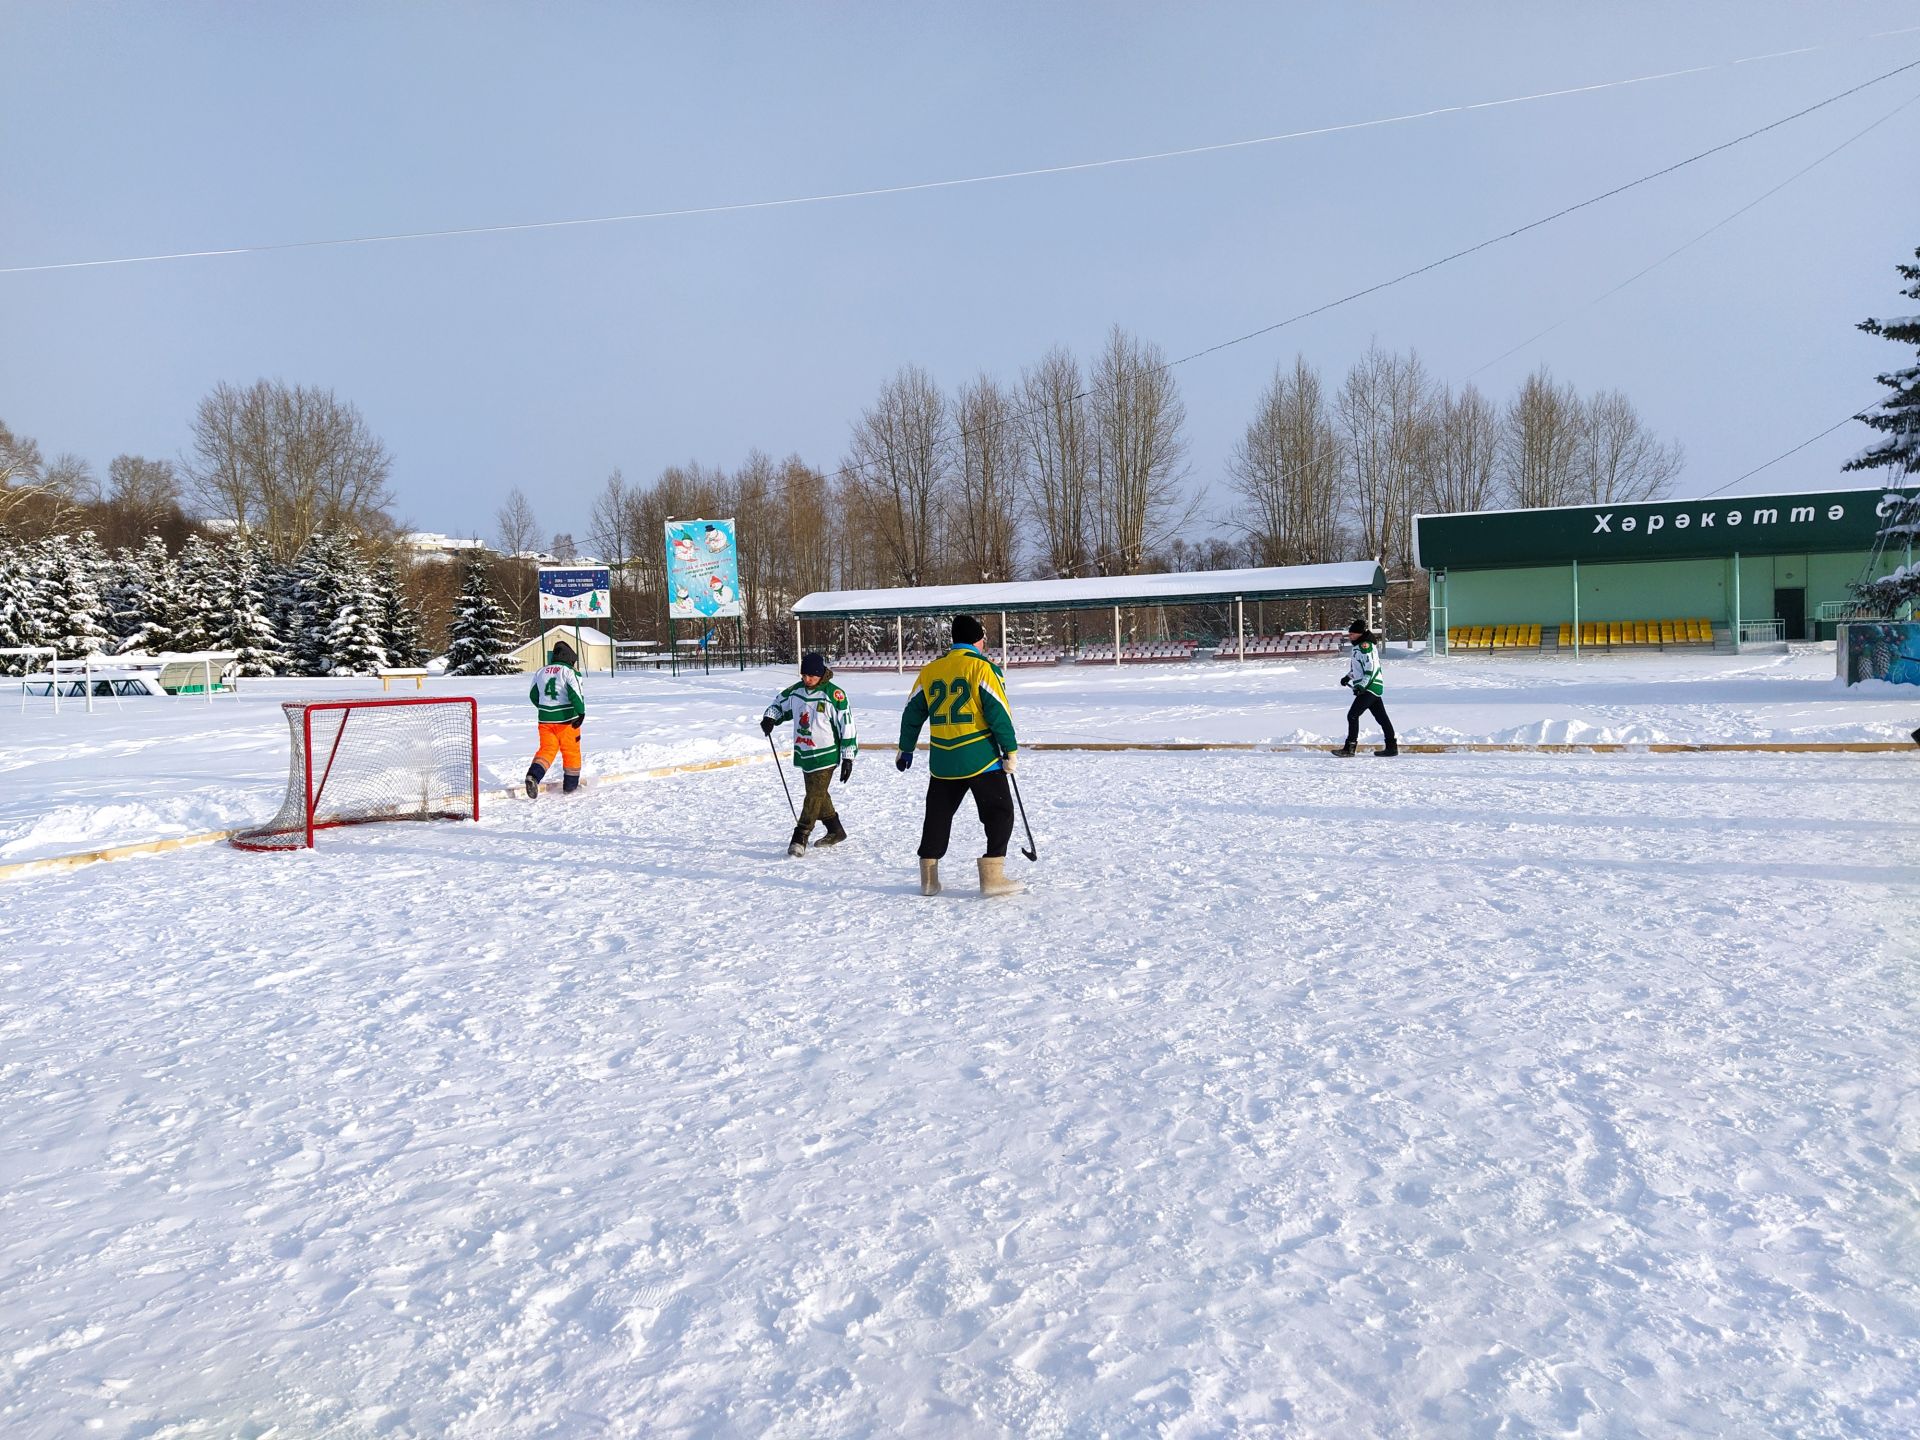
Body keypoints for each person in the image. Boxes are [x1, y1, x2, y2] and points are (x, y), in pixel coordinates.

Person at [897, 615, 1023, 897]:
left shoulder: (930, 671)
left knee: (938, 816)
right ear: (978, 639)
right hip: (981, 758)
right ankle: (993, 876)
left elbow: (912, 714)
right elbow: (998, 713)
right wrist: (1010, 750)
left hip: (943, 760)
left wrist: (906, 749)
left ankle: (929, 879)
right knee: (999, 812)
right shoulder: (982, 669)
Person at [761, 651, 857, 857]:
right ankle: (835, 830)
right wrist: (770, 717)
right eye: (804, 675)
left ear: (821, 673)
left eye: (811, 675)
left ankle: (800, 836)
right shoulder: (797, 691)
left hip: (826, 754)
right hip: (805, 752)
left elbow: (847, 725)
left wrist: (848, 756)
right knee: (819, 794)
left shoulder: (834, 694)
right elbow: (779, 704)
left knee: (813, 794)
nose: (807, 679)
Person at [525, 639, 586, 797]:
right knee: (571, 751)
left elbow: (533, 695)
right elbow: (575, 694)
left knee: (547, 750)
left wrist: (545, 709)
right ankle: (571, 787)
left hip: (545, 721)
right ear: (569, 659)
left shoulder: (541, 671)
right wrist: (581, 713)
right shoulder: (569, 672)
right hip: (567, 721)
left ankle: (533, 776)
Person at [1334, 620, 1397, 757]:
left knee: (1352, 715)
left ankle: (1349, 748)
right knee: (1382, 718)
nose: (1350, 636)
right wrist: (1348, 677)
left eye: (1352, 634)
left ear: (1359, 634)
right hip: (1371, 686)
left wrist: (1362, 686)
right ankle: (1392, 747)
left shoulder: (1365, 646)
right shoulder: (1359, 647)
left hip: (1370, 687)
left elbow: (1371, 668)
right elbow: (1358, 669)